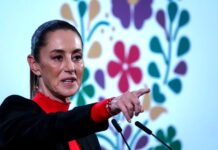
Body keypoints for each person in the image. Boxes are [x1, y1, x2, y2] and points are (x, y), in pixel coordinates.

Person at [0, 20, 150, 150]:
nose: (71, 67)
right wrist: (107, 107)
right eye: (58, 57)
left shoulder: (87, 136)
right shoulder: (15, 112)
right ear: (34, 65)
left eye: (77, 57)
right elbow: (53, 127)